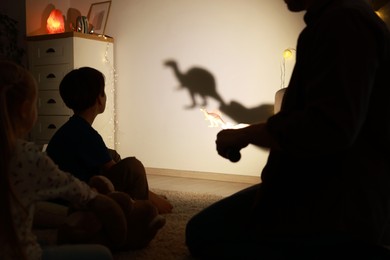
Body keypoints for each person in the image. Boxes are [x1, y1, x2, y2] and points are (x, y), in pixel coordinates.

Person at [186, 0, 390, 258]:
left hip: (336, 204)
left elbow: (328, 128)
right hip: (315, 188)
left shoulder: (346, 23)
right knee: (204, 229)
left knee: (207, 235)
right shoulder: (333, 22)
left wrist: (246, 133)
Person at [0, 60, 113, 260]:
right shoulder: (26, 154)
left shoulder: (66, 132)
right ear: (26, 110)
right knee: (102, 254)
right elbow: (79, 191)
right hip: (23, 254)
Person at [46, 67, 173, 214]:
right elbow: (114, 170)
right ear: (99, 99)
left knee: (111, 154)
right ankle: (141, 207)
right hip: (75, 199)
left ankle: (142, 195)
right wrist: (157, 201)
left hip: (65, 191)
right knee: (133, 167)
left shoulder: (73, 127)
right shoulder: (86, 134)